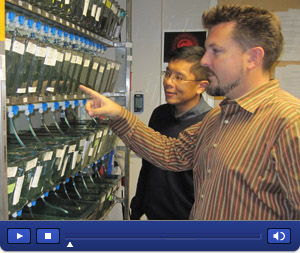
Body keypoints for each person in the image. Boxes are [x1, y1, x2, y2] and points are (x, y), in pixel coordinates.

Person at [80, 4, 300, 220]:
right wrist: (118, 113)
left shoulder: (289, 122)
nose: (204, 61)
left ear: (253, 58)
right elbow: (171, 153)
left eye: (216, 51)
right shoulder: (219, 117)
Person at [130, 46, 212, 220]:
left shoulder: (209, 124)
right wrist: (137, 206)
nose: (169, 82)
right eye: (168, 74)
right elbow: (148, 165)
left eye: (179, 78)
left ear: (201, 86)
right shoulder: (160, 114)